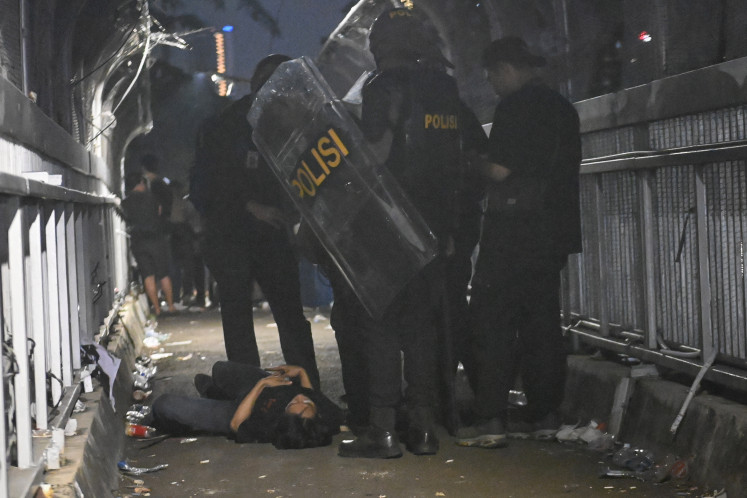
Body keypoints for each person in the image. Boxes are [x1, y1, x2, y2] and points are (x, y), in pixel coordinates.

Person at [337, 8, 483, 459]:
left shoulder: (382, 88)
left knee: (380, 323)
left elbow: (376, 157)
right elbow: (455, 164)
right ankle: (423, 428)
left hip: (387, 225)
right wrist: (451, 227)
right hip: (435, 228)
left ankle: (382, 430)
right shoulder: (445, 90)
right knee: (422, 327)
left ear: (382, 45)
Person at [455, 37, 582, 449]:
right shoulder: (563, 109)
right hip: (553, 232)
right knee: (542, 323)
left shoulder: (515, 107)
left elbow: (500, 170)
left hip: (513, 231)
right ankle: (545, 414)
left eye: (492, 74)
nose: (491, 83)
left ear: (506, 68)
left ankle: (491, 418)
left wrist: (469, 162)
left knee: (491, 320)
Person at [191, 54, 321, 390]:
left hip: (273, 234)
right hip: (232, 234)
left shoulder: (291, 123)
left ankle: (306, 389)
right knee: (239, 314)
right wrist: (251, 207)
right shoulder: (229, 123)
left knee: (289, 313)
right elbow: (209, 185)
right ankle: (247, 392)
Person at [146, 362, 343, 449]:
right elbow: (309, 393)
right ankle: (215, 391)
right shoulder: (327, 418)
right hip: (264, 387)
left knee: (165, 405)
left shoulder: (267, 428)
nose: (300, 397)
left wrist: (261, 385)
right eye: (307, 403)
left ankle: (212, 395)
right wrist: (301, 372)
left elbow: (236, 424)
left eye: (295, 403)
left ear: (284, 417)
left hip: (239, 410)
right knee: (220, 368)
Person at [121, 172, 177, 316]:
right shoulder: (153, 198)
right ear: (141, 182)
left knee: (148, 274)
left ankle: (157, 309)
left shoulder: (126, 202)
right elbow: (159, 213)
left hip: (138, 241)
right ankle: (171, 306)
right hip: (156, 239)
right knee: (163, 273)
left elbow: (126, 219)